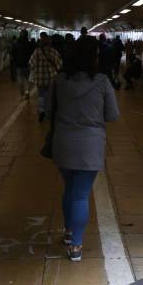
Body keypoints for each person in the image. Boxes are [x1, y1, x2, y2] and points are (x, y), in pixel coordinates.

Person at [47, 36, 120, 262]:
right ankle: (76, 246)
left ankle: (68, 233)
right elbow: (113, 115)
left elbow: (49, 112)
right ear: (93, 57)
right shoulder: (102, 81)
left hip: (63, 143)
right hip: (90, 145)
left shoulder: (59, 80)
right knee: (80, 194)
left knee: (69, 188)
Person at [29, 32, 62, 122]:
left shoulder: (36, 52)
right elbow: (59, 65)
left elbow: (31, 64)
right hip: (51, 78)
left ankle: (41, 111)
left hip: (40, 78)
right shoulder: (53, 51)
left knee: (41, 95)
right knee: (50, 96)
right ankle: (50, 112)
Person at [11, 29, 33, 99]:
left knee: (20, 79)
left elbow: (13, 54)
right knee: (28, 79)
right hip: (27, 64)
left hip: (18, 64)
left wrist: (15, 61)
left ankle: (22, 94)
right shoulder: (29, 44)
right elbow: (32, 54)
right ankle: (27, 91)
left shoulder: (15, 43)